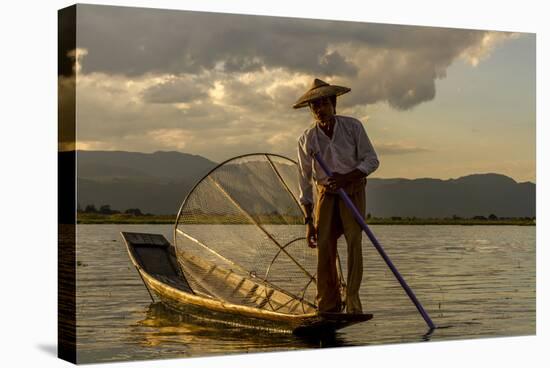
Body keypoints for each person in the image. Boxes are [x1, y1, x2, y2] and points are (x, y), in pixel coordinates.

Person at [293, 78, 379, 314]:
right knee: (324, 246)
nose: (319, 110)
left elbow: (371, 160)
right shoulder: (307, 139)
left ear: (333, 104)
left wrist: (346, 176)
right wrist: (308, 221)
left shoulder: (353, 127)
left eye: (323, 104)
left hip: (352, 189)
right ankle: (328, 306)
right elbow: (304, 180)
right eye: (314, 106)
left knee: (354, 242)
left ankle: (352, 302)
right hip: (326, 194)